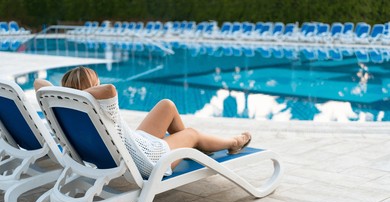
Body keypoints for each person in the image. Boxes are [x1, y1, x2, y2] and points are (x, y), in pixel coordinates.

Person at [34, 66, 251, 178]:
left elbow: (38, 83)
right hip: (146, 160)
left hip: (134, 145)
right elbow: (110, 89)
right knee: (192, 133)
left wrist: (71, 94)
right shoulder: (97, 103)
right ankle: (233, 142)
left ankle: (192, 149)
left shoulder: (63, 107)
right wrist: (84, 95)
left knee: (167, 105)